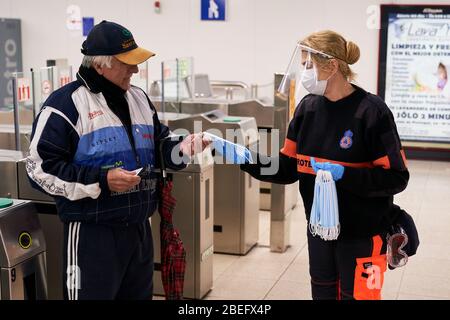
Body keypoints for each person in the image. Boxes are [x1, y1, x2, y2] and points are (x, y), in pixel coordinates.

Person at [26, 20, 209, 300]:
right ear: (100, 65)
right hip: (92, 236)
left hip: (138, 232)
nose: (135, 70)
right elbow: (39, 169)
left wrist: (182, 148)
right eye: (127, 63)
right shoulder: (65, 105)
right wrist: (102, 180)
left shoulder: (138, 98)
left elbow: (158, 147)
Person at [241, 30, 409, 300]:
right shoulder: (307, 110)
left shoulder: (372, 113)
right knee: (322, 292)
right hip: (319, 228)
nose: (304, 72)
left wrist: (345, 174)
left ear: (332, 66)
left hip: (362, 231)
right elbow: (288, 168)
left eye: (309, 65)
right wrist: (246, 159)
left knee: (357, 296)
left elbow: (396, 178)